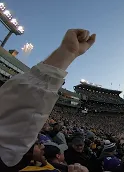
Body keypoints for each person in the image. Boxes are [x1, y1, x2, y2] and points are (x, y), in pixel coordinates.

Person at [0, 29, 95, 171]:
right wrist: (67, 54)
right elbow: (16, 122)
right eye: (36, 143)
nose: (41, 145)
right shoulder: (9, 157)